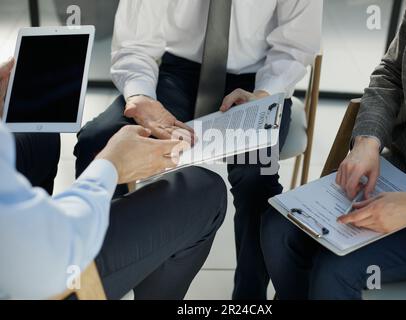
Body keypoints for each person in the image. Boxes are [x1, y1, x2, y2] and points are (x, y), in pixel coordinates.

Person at [73, 0, 323, 300]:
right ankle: (95, 282)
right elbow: (135, 43)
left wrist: (263, 94)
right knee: (97, 142)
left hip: (258, 78)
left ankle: (249, 296)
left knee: (256, 176)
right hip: (175, 71)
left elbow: (294, 46)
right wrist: (141, 96)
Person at [261, 0, 406, 299]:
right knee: (278, 227)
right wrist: (367, 142)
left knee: (335, 271)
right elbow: (391, 73)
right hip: (403, 171)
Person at [0, 58, 227, 300]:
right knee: (204, 190)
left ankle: (113, 245)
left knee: (38, 136)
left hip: (17, 231)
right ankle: (91, 271)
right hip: (38, 265)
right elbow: (51, 251)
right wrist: (111, 165)